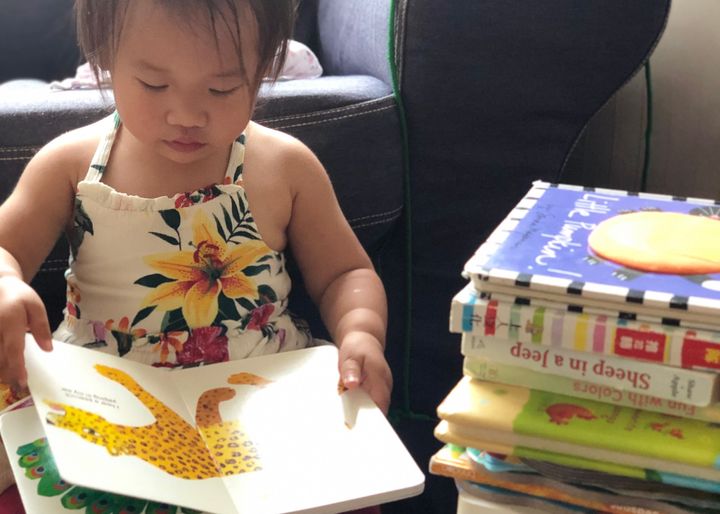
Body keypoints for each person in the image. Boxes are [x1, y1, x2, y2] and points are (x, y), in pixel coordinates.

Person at [0, 0, 392, 419]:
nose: (186, 115)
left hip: (261, 396)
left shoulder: (284, 167)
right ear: (104, 57)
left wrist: (361, 333)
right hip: (104, 395)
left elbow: (344, 273)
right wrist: (5, 282)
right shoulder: (69, 164)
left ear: (263, 70)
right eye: (153, 84)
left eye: (221, 89)